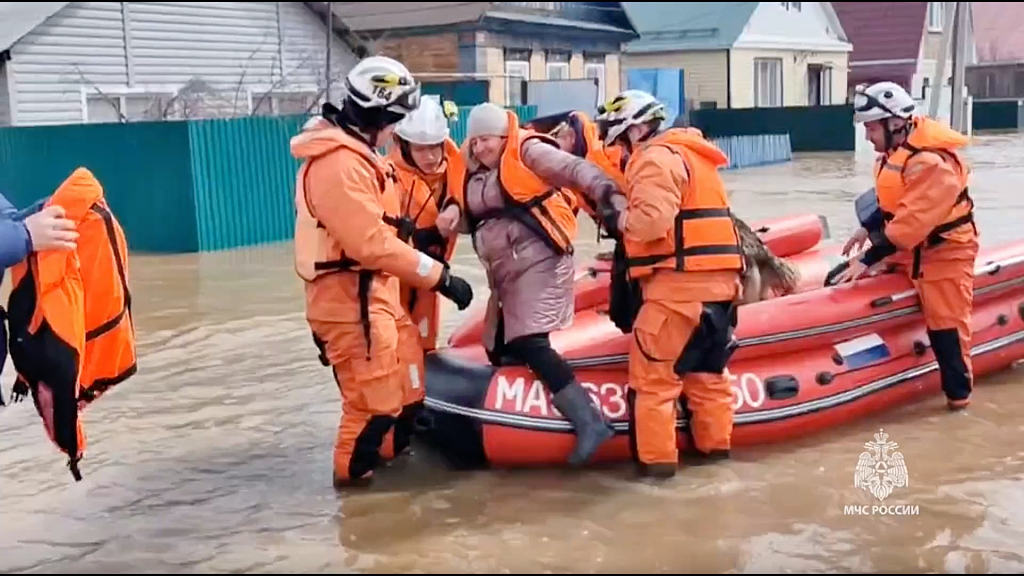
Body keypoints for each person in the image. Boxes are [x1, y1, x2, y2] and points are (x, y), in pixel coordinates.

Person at [290, 55, 474, 488]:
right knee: (371, 409)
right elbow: (369, 244)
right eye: (395, 120)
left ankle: (392, 477)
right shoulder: (339, 164)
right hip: (351, 302)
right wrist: (440, 276)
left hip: (377, 298)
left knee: (407, 395)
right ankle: (357, 503)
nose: (396, 132)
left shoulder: (359, 156)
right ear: (380, 115)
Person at [444, 102, 624, 467]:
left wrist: (608, 193)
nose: (480, 149)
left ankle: (590, 421)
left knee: (529, 339)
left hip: (543, 259)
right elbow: (475, 213)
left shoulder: (529, 151)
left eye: (487, 140)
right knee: (496, 346)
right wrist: (453, 213)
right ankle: (520, 420)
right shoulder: (472, 170)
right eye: (474, 142)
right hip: (505, 269)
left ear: (503, 135)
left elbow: (574, 169)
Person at [600, 89, 745, 479]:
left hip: (677, 292)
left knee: (653, 386)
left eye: (620, 139)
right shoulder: (695, 156)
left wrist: (617, 220)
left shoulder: (654, 159)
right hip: (721, 291)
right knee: (708, 382)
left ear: (637, 130)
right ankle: (716, 465)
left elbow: (651, 223)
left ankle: (656, 476)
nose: (621, 150)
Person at [830, 81, 977, 411]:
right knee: (838, 279)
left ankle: (958, 400)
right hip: (908, 251)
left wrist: (869, 258)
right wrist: (866, 230)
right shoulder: (894, 155)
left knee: (946, 330)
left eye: (870, 127)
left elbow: (912, 223)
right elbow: (893, 201)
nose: (867, 136)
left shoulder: (931, 164)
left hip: (944, 254)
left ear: (894, 123)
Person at [379, 96, 466, 460]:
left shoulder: (452, 165)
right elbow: (377, 242)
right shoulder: (388, 178)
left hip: (430, 282)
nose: (431, 156)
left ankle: (417, 418)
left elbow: (464, 180)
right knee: (393, 357)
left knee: (424, 348)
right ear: (403, 144)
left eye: (435, 147)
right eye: (422, 148)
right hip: (394, 282)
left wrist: (455, 206)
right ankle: (389, 439)